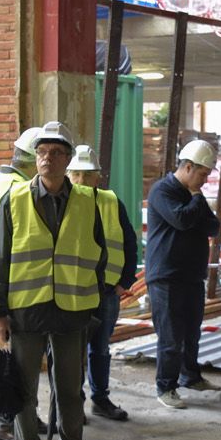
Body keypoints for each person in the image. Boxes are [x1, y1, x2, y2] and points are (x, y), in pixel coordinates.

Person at [0, 120, 112, 440]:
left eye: (55, 153)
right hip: (27, 310)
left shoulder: (88, 202)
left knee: (70, 388)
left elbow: (98, 254)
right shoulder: (16, 198)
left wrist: (93, 299)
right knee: (25, 390)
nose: (47, 159)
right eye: (42, 152)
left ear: (68, 159)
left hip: (72, 311)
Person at [144, 138, 221, 409]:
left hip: (191, 275)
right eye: (202, 174)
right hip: (166, 276)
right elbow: (182, 220)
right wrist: (197, 200)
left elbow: (214, 227)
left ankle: (191, 376)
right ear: (188, 167)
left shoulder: (192, 197)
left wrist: (195, 208)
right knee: (171, 336)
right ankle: (166, 387)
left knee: (191, 332)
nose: (205, 181)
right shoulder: (162, 191)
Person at [66, 144, 139, 421]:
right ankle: (75, 401)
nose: (83, 181)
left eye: (88, 174)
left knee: (100, 348)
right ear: (69, 175)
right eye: (77, 175)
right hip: (72, 292)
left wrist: (125, 281)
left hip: (107, 290)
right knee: (72, 351)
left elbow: (129, 241)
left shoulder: (111, 201)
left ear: (99, 176)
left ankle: (100, 398)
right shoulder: (62, 202)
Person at [0, 127, 40, 440]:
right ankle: (7, 421)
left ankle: (11, 419)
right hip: (18, 282)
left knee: (6, 355)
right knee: (15, 361)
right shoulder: (22, 189)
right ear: (32, 159)